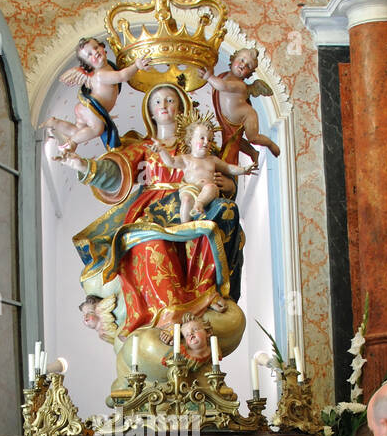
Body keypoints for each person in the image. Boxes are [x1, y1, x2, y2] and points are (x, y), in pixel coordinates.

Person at [58, 82, 246, 332]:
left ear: (181, 106)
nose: (164, 106)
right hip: (153, 208)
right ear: (150, 112)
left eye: (170, 100)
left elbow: (220, 172)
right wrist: (83, 166)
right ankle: (167, 315)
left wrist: (229, 186)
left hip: (192, 201)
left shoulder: (197, 143)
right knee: (147, 243)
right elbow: (116, 172)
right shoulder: (144, 147)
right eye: (157, 102)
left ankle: (209, 293)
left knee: (222, 215)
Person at [155, 113, 255, 224]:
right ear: (190, 141)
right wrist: (161, 150)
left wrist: (244, 170)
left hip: (208, 192)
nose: (206, 142)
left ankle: (199, 204)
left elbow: (228, 168)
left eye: (210, 139)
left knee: (211, 187)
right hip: (190, 189)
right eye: (202, 138)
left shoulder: (213, 160)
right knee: (186, 199)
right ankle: (184, 227)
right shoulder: (186, 159)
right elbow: (171, 162)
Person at [205, 48, 281, 159]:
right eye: (241, 60)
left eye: (248, 66)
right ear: (233, 58)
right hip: (230, 121)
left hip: (247, 115)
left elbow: (223, 86)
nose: (243, 65)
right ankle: (253, 153)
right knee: (236, 141)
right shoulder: (223, 75)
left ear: (249, 73)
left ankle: (269, 143)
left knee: (253, 138)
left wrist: (208, 76)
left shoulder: (240, 85)